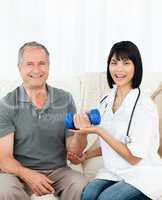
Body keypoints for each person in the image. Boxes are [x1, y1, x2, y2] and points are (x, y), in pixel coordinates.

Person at [68, 41, 162, 200]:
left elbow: (133, 157)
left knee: (106, 198)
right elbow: (114, 142)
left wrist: (98, 131)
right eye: (114, 62)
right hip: (114, 172)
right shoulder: (106, 100)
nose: (119, 69)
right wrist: (86, 155)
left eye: (126, 63)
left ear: (136, 67)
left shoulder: (144, 106)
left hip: (142, 175)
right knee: (89, 194)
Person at [0, 41, 88, 200]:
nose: (36, 69)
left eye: (42, 63)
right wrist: (28, 175)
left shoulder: (65, 98)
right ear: (19, 68)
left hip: (58, 171)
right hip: (19, 173)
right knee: (4, 189)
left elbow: (73, 151)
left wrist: (82, 134)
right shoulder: (6, 104)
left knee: (81, 185)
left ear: (49, 66)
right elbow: (4, 159)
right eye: (29, 64)